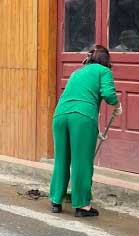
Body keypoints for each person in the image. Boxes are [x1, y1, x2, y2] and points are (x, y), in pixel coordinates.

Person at [49, 45, 122, 217]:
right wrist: (117, 105)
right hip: (82, 118)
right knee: (81, 161)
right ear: (106, 60)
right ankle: (82, 205)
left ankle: (56, 201)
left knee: (61, 159)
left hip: (59, 116)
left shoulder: (76, 73)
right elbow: (109, 94)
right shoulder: (103, 71)